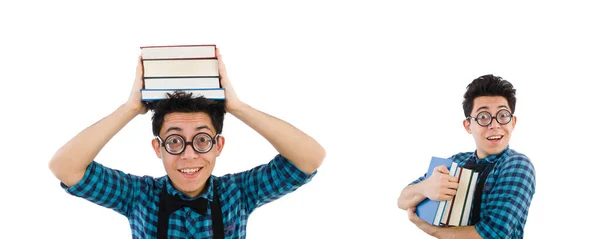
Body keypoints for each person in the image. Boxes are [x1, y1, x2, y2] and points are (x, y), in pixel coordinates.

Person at [49, 48, 326, 239]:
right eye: (175, 140)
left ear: (219, 146)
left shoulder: (238, 193)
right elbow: (65, 167)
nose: (189, 154)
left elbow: (310, 158)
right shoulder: (138, 195)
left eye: (202, 139)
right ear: (158, 148)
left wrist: (238, 107)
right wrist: (130, 108)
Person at [397, 74, 536, 239]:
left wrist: (430, 229)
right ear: (468, 125)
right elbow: (402, 200)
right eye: (483, 116)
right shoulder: (457, 161)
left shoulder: (517, 165)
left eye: (503, 115)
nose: (495, 125)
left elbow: (493, 234)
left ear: (513, 123)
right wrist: (425, 188)